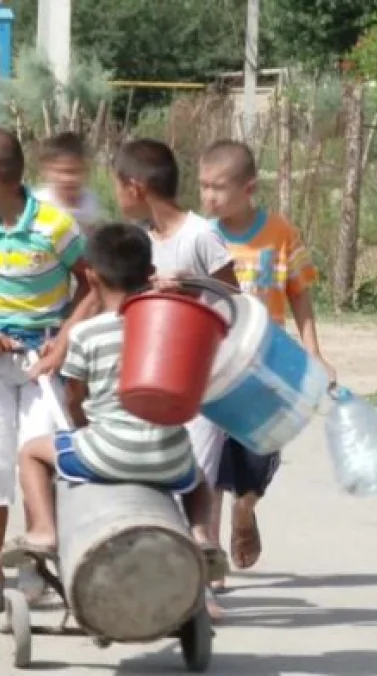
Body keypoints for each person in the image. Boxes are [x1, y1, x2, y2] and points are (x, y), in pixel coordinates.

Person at [0, 224, 225, 576]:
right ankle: (200, 535)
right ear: (150, 273)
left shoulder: (86, 333)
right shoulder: (170, 329)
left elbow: (75, 399)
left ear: (90, 276)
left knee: (30, 452)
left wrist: (83, 427)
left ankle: (42, 532)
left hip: (106, 452)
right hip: (168, 457)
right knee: (200, 482)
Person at [0, 127, 92, 614]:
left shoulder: (54, 225)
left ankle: (35, 566)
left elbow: (90, 286)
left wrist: (63, 338)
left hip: (41, 365)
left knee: (37, 460)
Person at [111, 138, 240, 619]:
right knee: (158, 476)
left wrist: (191, 284)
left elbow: (235, 295)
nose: (116, 195)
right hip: (155, 378)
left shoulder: (199, 235)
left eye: (117, 185)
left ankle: (200, 587)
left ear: (136, 186)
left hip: (205, 382)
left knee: (198, 477)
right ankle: (164, 580)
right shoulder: (139, 237)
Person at [199, 139, 336, 579]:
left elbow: (300, 295)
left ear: (249, 187)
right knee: (212, 467)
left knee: (259, 460)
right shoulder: (203, 237)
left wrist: (314, 352)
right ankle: (211, 559)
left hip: (266, 369)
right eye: (203, 187)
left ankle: (246, 509)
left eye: (219, 188)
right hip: (216, 370)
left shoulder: (280, 234)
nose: (209, 198)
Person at [33, 132, 104, 229]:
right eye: (62, 171)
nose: (69, 179)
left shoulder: (90, 201)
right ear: (46, 171)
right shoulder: (38, 204)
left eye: (76, 171)